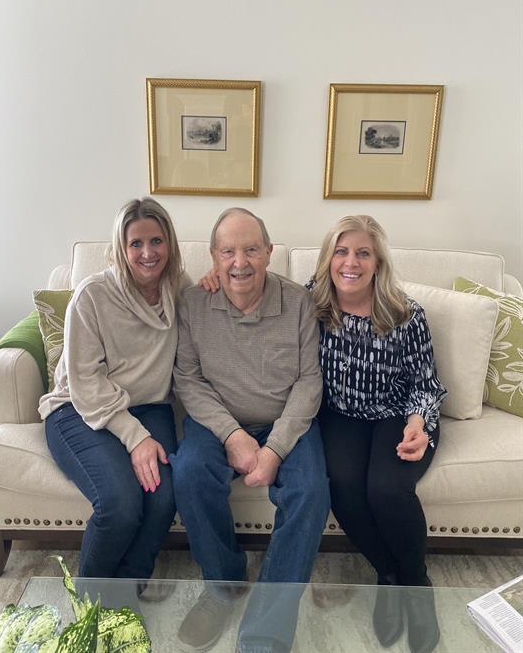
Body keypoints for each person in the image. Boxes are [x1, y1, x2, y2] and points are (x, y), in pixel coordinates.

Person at [170, 208, 330, 653]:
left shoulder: (299, 302)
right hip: (217, 420)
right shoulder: (193, 304)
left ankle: (266, 629)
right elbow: (188, 380)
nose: (240, 262)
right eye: (228, 252)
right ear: (213, 256)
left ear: (269, 252)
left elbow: (309, 382)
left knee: (311, 491)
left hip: (286, 421)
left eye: (251, 250)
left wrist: (274, 449)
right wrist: (231, 435)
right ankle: (223, 584)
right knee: (189, 472)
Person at [309, 215, 446, 653]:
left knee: (386, 489)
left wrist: (417, 424)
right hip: (341, 416)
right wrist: (215, 275)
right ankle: (388, 574)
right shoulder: (310, 305)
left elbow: (426, 384)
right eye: (342, 251)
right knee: (342, 486)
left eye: (363, 253)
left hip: (399, 414)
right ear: (329, 258)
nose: (351, 262)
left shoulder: (404, 313)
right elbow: (255, 289)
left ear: (378, 262)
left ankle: (417, 586)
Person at [39, 197, 191, 582]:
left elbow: (215, 311)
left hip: (149, 407)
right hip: (79, 409)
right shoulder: (92, 295)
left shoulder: (180, 288)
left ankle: (126, 589)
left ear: (169, 243)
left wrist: (214, 283)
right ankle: (90, 601)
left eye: (156, 241)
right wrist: (135, 437)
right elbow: (85, 382)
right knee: (120, 505)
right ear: (120, 248)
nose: (147, 253)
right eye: (135, 243)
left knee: (163, 499)